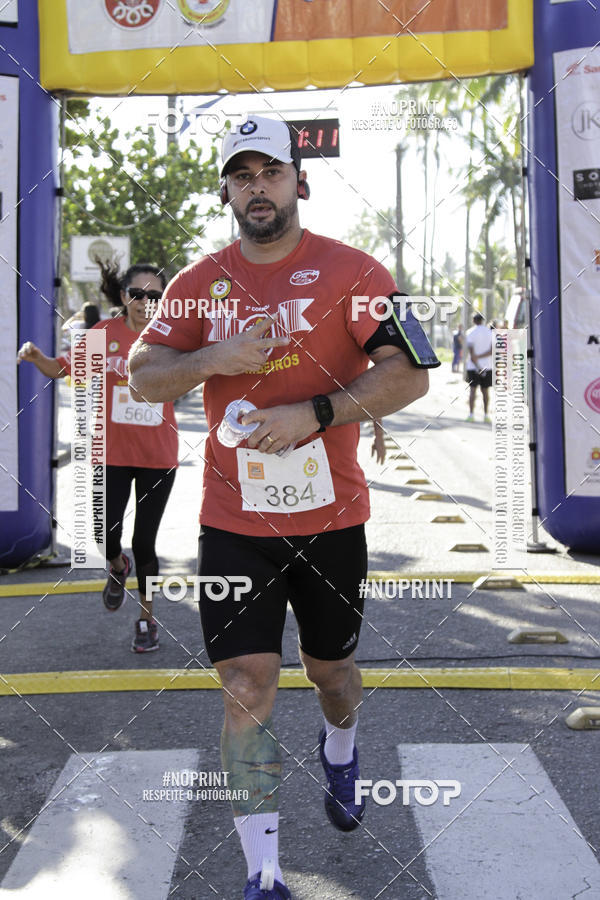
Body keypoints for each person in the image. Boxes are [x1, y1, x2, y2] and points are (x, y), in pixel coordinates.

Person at [129, 115, 429, 900]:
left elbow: (410, 375)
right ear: (226, 190)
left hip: (332, 522)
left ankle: (342, 746)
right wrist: (210, 357)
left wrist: (317, 415)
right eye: (241, 175)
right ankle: (263, 874)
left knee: (331, 671)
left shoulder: (355, 270)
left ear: (300, 182)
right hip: (232, 524)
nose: (256, 187)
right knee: (247, 685)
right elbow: (141, 371)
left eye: (270, 172)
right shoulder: (200, 283)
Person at [17, 261, 178, 652]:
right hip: (111, 453)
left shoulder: (172, 338)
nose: (146, 302)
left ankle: (147, 619)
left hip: (159, 455)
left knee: (146, 542)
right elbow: (63, 369)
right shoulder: (102, 333)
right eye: (138, 294)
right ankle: (117, 567)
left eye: (155, 295)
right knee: (103, 535)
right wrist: (38, 357)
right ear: (124, 297)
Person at [465, 312, 493, 423]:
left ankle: (471, 415)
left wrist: (477, 361)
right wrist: (481, 359)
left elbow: (472, 355)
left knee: (473, 390)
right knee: (485, 391)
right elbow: (491, 351)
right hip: (487, 366)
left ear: (473, 321)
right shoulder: (490, 333)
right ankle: (486, 415)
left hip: (473, 367)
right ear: (482, 320)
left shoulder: (470, 332)